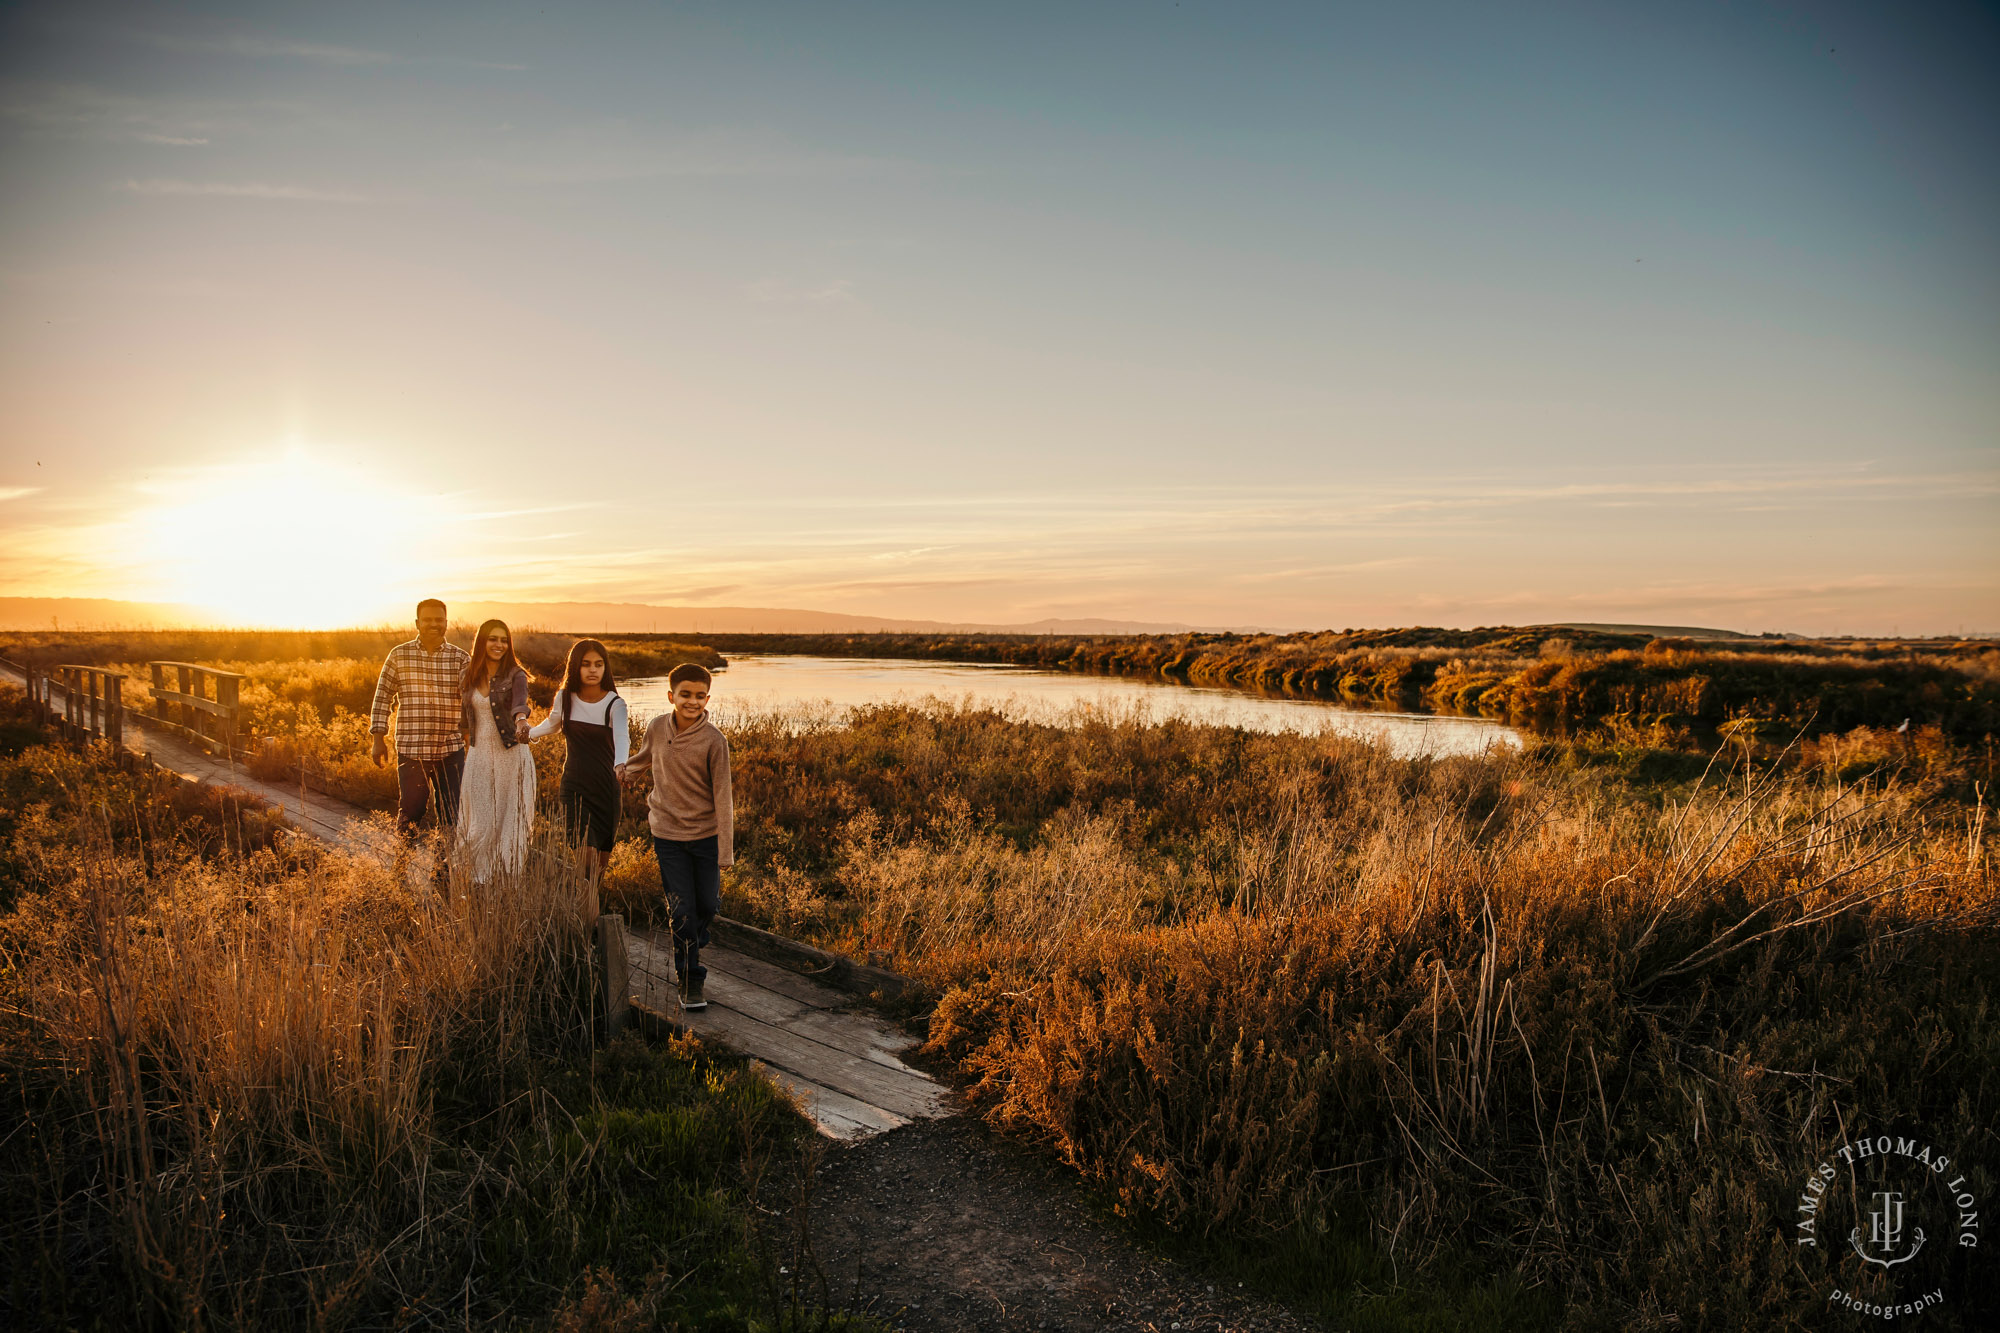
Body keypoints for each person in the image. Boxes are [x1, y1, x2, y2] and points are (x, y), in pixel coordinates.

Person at [621, 663, 732, 1011]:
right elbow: (644, 759)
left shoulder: (715, 740)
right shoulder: (656, 727)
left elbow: (723, 797)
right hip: (667, 835)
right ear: (671, 696)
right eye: (685, 694)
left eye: (700, 696)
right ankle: (690, 979)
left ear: (708, 698)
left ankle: (693, 941)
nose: (692, 701)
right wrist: (625, 771)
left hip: (705, 837)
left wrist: (725, 850)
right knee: (682, 911)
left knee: (708, 905)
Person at [525, 638, 628, 884]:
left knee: (597, 873)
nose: (593, 669)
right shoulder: (565, 697)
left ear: (605, 668)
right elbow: (552, 724)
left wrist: (621, 765)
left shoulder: (615, 704)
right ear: (575, 667)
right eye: (586, 664)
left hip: (605, 789)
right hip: (574, 787)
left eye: (598, 664)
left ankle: (588, 918)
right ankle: (585, 914)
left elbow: (622, 739)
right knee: (586, 862)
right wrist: (527, 734)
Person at [370, 599, 471, 841]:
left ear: (446, 622)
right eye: (428, 620)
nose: (433, 624)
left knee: (451, 814)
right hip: (412, 750)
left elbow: (471, 703)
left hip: (450, 750)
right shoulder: (399, 655)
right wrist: (378, 739)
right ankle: (402, 869)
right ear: (417, 623)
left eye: (439, 620)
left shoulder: (460, 658)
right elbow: (383, 696)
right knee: (411, 812)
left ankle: (442, 873)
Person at [455, 619, 537, 884]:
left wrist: (522, 722)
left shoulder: (516, 674)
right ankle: (472, 879)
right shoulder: (468, 674)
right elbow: (465, 721)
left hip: (510, 756)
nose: (499, 645)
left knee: (510, 823)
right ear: (482, 641)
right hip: (479, 756)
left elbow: (519, 705)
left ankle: (503, 882)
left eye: (504, 640)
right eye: (493, 639)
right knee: (480, 822)